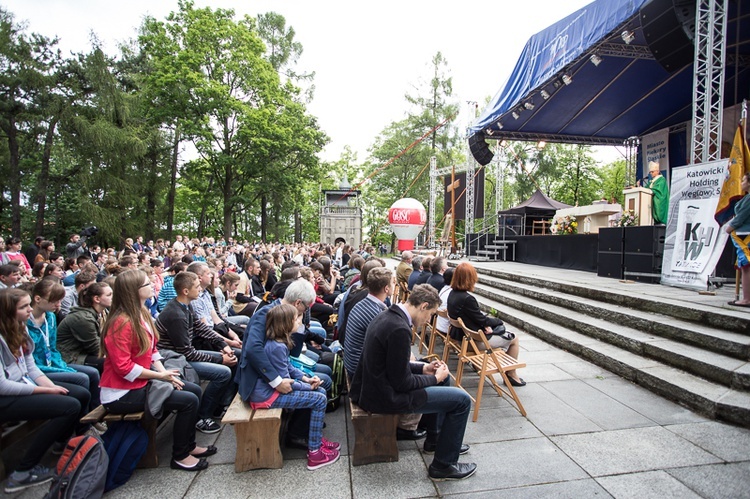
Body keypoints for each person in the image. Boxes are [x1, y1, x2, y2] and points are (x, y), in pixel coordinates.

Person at [350, 284, 476, 481]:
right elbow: (401, 383)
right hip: (384, 397)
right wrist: (434, 378)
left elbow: (392, 366)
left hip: (373, 387)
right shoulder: (399, 328)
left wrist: (424, 368)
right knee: (462, 401)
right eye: (431, 314)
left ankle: (435, 439)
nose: (429, 320)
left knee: (444, 381)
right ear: (424, 306)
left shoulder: (388, 315)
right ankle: (443, 466)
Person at [100, 269, 216, 471]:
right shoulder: (120, 323)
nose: (154, 285)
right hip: (121, 392)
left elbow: (152, 352)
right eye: (147, 284)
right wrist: (160, 376)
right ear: (133, 291)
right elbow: (123, 368)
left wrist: (167, 376)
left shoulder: (141, 314)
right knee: (188, 401)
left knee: (194, 390)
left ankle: (189, 446)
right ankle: (180, 456)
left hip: (142, 382)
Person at [0, 288, 90, 494]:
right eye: (24, 307)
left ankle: (66, 443)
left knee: (80, 393)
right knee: (69, 406)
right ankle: (22, 472)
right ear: (7, 312)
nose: (30, 309)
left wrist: (51, 386)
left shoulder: (19, 328)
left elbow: (30, 367)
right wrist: (43, 391)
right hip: (6, 397)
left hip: (25, 384)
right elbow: (3, 385)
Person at [250, 304, 340, 470]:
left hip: (272, 391)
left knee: (320, 391)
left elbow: (290, 368)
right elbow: (285, 383)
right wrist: (308, 387)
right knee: (319, 399)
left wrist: (306, 379)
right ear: (286, 324)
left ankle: (315, 438)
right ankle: (314, 453)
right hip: (267, 396)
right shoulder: (276, 347)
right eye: (296, 319)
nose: (299, 321)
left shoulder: (279, 343)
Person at [236, 279, 320, 449]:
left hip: (274, 371)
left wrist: (302, 377)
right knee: (319, 385)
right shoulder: (266, 313)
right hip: (257, 382)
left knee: (317, 379)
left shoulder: (278, 311)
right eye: (306, 307)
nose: (305, 312)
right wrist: (276, 381)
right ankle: (297, 434)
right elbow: (253, 350)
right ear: (298, 303)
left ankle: (303, 426)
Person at [156, 271, 237, 433]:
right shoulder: (176, 315)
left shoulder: (185, 306)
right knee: (223, 373)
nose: (200, 289)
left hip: (185, 354)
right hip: (175, 360)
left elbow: (201, 328)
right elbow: (188, 353)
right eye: (197, 286)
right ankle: (202, 417)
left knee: (236, 355)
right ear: (186, 291)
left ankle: (219, 405)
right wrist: (221, 359)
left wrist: (222, 344)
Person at [447, 262, 524, 386]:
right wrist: (498, 321)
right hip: (474, 343)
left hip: (461, 339)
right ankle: (511, 375)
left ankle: (505, 372)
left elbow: (475, 318)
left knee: (496, 331)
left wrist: (484, 324)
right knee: (514, 339)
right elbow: (483, 320)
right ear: (470, 279)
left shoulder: (452, 294)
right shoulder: (467, 299)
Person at [57, 281, 111, 372]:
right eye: (109, 295)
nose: (113, 298)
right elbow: (96, 348)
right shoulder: (83, 318)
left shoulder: (101, 313)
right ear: (97, 299)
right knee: (109, 362)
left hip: (82, 352)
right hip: (70, 357)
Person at [725, 172, 750, 307]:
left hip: (745, 235)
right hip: (743, 233)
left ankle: (747, 298)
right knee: (745, 266)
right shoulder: (746, 198)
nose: (741, 182)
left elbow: (742, 216)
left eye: (744, 180)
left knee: (746, 266)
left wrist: (730, 227)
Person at [645, 161, 669, 225]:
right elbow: (645, 189)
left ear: (657, 171)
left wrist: (651, 190)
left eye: (652, 172)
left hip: (660, 202)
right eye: (650, 172)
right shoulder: (652, 181)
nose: (651, 174)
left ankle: (660, 220)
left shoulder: (662, 180)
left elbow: (658, 190)